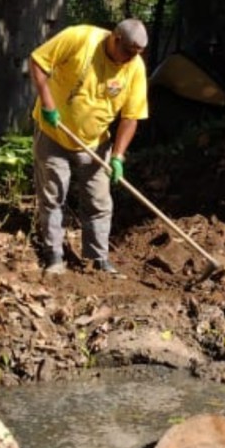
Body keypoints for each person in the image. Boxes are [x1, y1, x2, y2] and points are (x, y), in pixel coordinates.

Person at [28, 19, 149, 276]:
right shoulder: (80, 38)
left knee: (99, 201)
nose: (130, 59)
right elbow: (38, 61)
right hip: (54, 134)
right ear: (115, 38)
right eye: (128, 52)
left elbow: (131, 117)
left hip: (95, 143)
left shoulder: (135, 67)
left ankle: (98, 257)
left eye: (136, 54)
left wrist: (118, 156)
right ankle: (54, 255)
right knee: (53, 196)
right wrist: (48, 105)